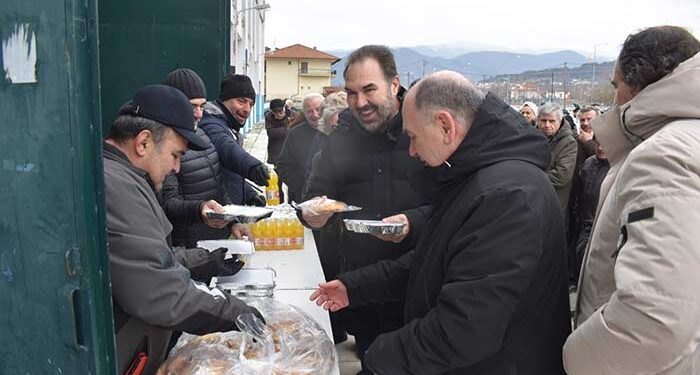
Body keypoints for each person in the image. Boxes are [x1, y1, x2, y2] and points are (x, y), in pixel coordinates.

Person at [310, 71, 571, 374]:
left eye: (413, 136)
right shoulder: (473, 177)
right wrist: (355, 287)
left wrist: (378, 356)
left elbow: (464, 329)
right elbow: (433, 261)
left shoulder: (508, 195)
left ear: (446, 125)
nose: (411, 150)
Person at [564, 26, 700, 374]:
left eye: (616, 86)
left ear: (638, 86)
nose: (614, 100)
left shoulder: (663, 155)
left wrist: (575, 357)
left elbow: (656, 317)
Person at [103, 85, 262, 375]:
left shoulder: (128, 177)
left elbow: (147, 255)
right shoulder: (117, 186)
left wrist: (204, 260)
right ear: (143, 143)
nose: (177, 166)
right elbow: (160, 294)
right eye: (175, 155)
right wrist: (235, 313)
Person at [301, 45, 431, 373]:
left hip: (417, 287)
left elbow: (452, 204)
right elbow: (315, 194)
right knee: (373, 361)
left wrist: (413, 222)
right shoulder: (340, 134)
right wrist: (313, 214)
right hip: (361, 288)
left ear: (394, 84)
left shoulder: (422, 128)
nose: (360, 103)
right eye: (351, 92)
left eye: (369, 89)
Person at [160, 68, 250, 248]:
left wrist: (233, 222)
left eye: (202, 106)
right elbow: (168, 203)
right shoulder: (161, 145)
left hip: (214, 243)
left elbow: (217, 185)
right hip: (187, 248)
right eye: (192, 106)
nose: (199, 114)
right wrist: (200, 209)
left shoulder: (202, 135)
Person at [199, 74, 268, 205]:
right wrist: (252, 166)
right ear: (225, 100)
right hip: (215, 216)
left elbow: (227, 173)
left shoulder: (229, 125)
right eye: (241, 101)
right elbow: (224, 145)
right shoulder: (210, 122)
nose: (247, 109)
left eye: (251, 104)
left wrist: (249, 194)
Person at [276, 93, 323, 204]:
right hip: (301, 199)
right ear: (304, 113)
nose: (315, 115)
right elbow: (283, 167)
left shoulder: (336, 131)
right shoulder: (295, 133)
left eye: (318, 109)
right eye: (309, 111)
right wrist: (302, 187)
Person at [572, 136, 609, 279]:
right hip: (584, 221)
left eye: (604, 144)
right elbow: (579, 190)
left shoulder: (617, 166)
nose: (600, 148)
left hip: (602, 223)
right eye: (598, 144)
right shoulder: (588, 163)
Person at [538, 102, 578, 210]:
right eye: (543, 121)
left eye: (551, 121)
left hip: (554, 202)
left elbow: (562, 176)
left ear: (560, 122)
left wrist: (532, 177)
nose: (547, 125)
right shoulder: (533, 138)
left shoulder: (568, 143)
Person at [265, 98, 289, 202]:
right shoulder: (269, 117)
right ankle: (279, 204)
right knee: (276, 184)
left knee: (291, 184)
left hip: (291, 154)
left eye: (280, 111)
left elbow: (295, 131)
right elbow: (271, 133)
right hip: (276, 154)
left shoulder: (292, 115)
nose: (279, 114)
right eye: (276, 112)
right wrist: (287, 130)